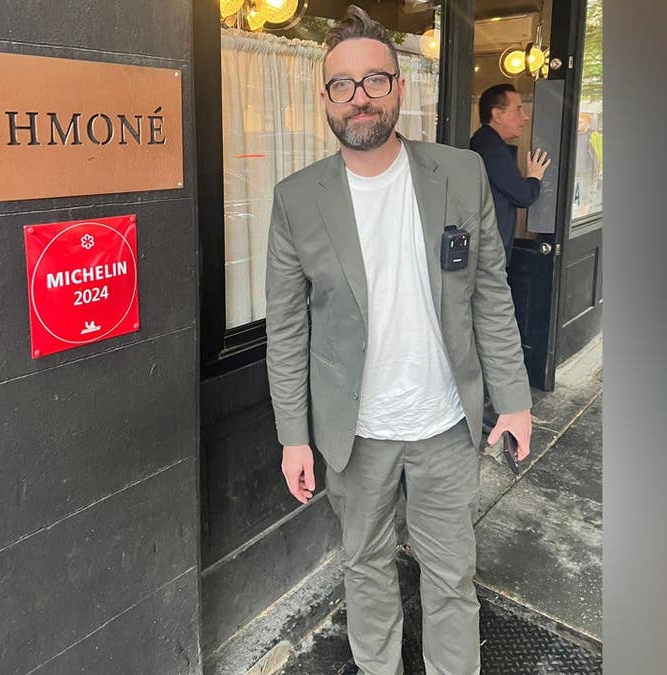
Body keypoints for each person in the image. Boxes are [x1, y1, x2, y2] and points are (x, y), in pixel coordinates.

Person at [264, 7, 533, 674]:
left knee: (451, 580)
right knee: (366, 569)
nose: (360, 97)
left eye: (375, 80)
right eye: (343, 84)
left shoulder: (460, 173)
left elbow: (490, 292)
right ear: (325, 97)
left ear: (400, 89)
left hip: (445, 422)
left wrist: (515, 397)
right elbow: (288, 325)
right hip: (355, 432)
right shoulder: (296, 199)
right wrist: (293, 434)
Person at [469, 83, 551, 262]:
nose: (525, 117)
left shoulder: (488, 143)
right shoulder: (490, 148)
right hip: (487, 257)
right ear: (497, 114)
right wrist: (534, 177)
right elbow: (522, 195)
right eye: (518, 110)